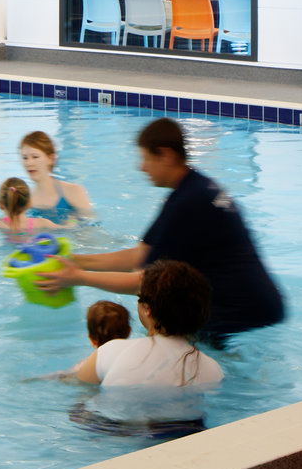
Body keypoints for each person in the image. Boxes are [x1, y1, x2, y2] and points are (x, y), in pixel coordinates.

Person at [41, 119, 285, 335]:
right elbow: (141, 254)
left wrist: (78, 278)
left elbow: (145, 284)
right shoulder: (191, 189)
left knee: (155, 312)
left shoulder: (189, 203)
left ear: (166, 155)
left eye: (146, 158)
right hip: (258, 307)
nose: (142, 167)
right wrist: (76, 260)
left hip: (243, 315)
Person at [64, 261, 224, 389]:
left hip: (116, 426)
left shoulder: (111, 352)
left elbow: (75, 386)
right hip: (188, 427)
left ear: (147, 309)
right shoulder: (213, 371)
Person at [17, 130, 95, 224]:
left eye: (35, 157)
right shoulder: (23, 202)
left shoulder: (74, 192)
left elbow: (91, 226)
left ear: (51, 159)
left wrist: (73, 223)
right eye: (25, 158)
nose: (29, 163)